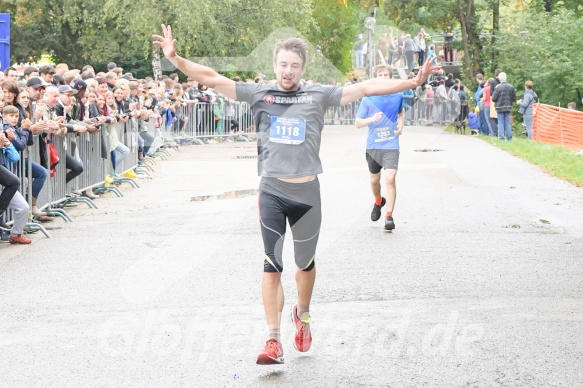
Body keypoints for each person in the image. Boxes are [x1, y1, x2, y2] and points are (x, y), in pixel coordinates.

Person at [153, 24, 435, 365]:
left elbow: (365, 87)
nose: (288, 71)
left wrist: (411, 82)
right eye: (283, 65)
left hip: (307, 195)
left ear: (302, 68)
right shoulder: (260, 94)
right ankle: (272, 338)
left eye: (294, 66)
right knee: (271, 265)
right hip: (271, 190)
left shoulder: (318, 95)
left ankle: (302, 314)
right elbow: (212, 78)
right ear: (275, 65)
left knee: (304, 265)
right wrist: (175, 58)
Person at [354, 65, 404, 231]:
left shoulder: (398, 95)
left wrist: (401, 125)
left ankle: (389, 216)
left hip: (391, 143)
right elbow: (357, 123)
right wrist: (371, 119)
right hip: (374, 145)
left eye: (386, 75)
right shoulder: (368, 98)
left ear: (390, 78)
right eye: (380, 75)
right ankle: (378, 201)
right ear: (375, 78)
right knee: (375, 180)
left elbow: (400, 111)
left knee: (390, 178)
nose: (383, 77)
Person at [491, 72, 516, 141]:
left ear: (499, 79)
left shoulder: (498, 87)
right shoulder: (511, 87)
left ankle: (501, 138)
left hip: (499, 107)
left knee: (501, 122)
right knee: (507, 122)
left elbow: (493, 98)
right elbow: (514, 98)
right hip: (508, 106)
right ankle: (509, 138)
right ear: (506, 78)